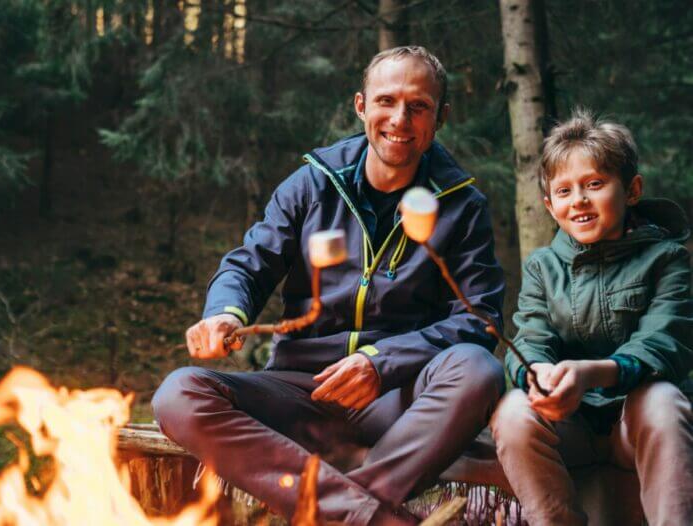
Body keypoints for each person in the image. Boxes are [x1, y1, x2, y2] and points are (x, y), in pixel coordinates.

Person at [151, 46, 506, 525]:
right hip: (300, 390)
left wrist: (382, 364)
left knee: (477, 368)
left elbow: (480, 320)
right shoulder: (311, 185)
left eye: (418, 106)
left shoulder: (463, 206)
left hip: (396, 404)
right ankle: (375, 519)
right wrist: (226, 312)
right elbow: (250, 263)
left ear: (440, 116)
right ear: (361, 106)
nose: (400, 119)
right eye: (386, 101)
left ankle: (341, 510)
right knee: (178, 394)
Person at [491, 109, 693, 525]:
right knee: (511, 410)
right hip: (572, 424)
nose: (579, 200)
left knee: (662, 399)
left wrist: (592, 373)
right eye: (563, 191)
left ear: (632, 190)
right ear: (549, 206)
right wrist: (537, 374)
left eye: (595, 185)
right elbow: (529, 338)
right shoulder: (542, 267)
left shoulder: (667, 259)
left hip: (632, 424)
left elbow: (664, 345)